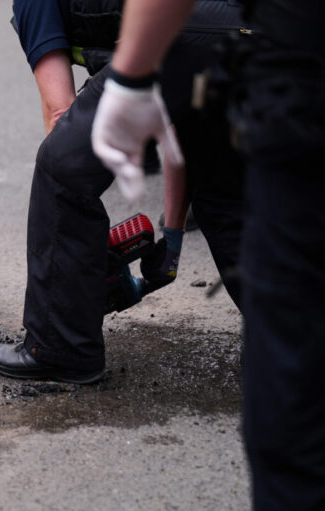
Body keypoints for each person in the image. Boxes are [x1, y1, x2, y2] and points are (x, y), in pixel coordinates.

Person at [91, 1, 325, 508]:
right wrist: (171, 239)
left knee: (291, 401)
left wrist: (130, 78)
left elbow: (183, 137)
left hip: (296, 72)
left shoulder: (178, 35)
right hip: (251, 62)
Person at [0, 0, 246, 383]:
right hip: (258, 33)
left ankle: (62, 348)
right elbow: (181, 131)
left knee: (62, 165)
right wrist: (172, 239)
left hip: (178, 33)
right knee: (228, 199)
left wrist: (76, 265)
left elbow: (62, 121)